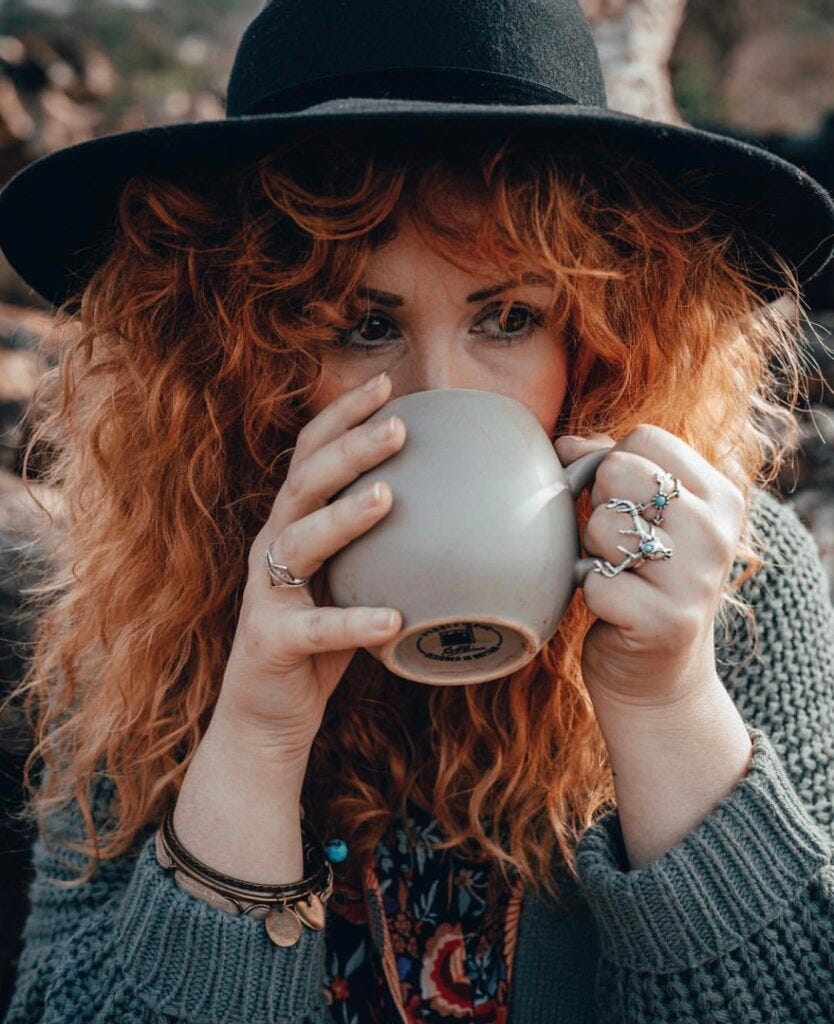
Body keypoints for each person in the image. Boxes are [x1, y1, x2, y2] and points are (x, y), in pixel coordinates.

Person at [1, 1, 833, 1022]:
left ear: (606, 338)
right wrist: (253, 741)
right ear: (241, 357)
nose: (435, 389)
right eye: (360, 323)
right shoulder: (139, 613)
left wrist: (668, 705)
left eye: (510, 317)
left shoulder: (736, 589)